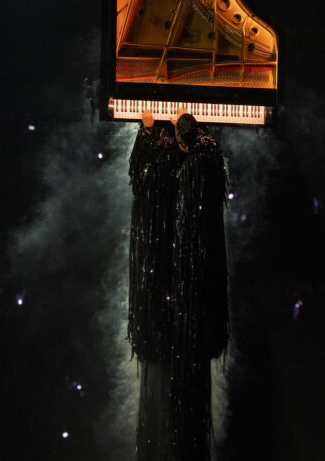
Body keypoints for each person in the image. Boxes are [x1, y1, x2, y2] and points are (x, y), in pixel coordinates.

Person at [129, 107, 229, 461]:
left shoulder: (201, 160)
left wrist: (157, 131)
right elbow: (144, 181)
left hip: (188, 310)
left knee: (180, 398)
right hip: (169, 310)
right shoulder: (184, 158)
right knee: (168, 396)